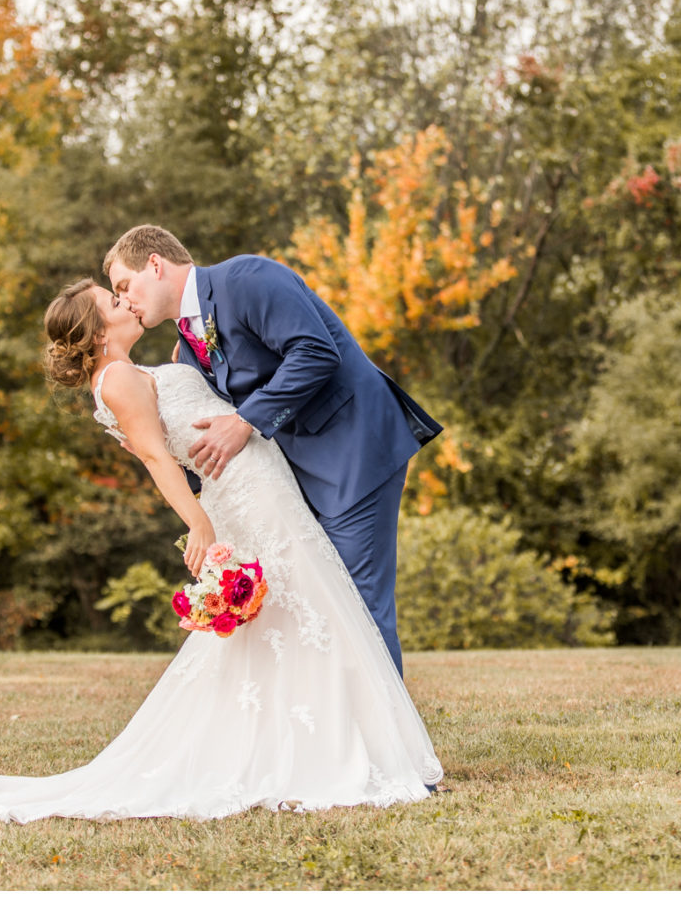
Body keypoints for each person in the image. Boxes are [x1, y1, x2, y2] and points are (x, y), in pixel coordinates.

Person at [0, 278, 442, 832]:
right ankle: (330, 750)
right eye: (109, 300)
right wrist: (199, 524)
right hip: (241, 497)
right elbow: (154, 457)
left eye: (120, 291)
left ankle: (330, 742)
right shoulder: (117, 379)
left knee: (305, 615)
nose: (123, 302)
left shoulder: (140, 367)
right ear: (95, 330)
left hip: (259, 485)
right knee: (302, 613)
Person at [104, 225, 441, 676]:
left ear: (155, 264)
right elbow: (212, 435)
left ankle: (388, 745)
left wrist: (245, 421)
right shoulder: (186, 350)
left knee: (358, 604)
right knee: (324, 604)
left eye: (125, 286)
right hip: (295, 478)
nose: (124, 301)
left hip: (353, 450)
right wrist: (157, 450)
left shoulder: (246, 278)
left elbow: (316, 351)